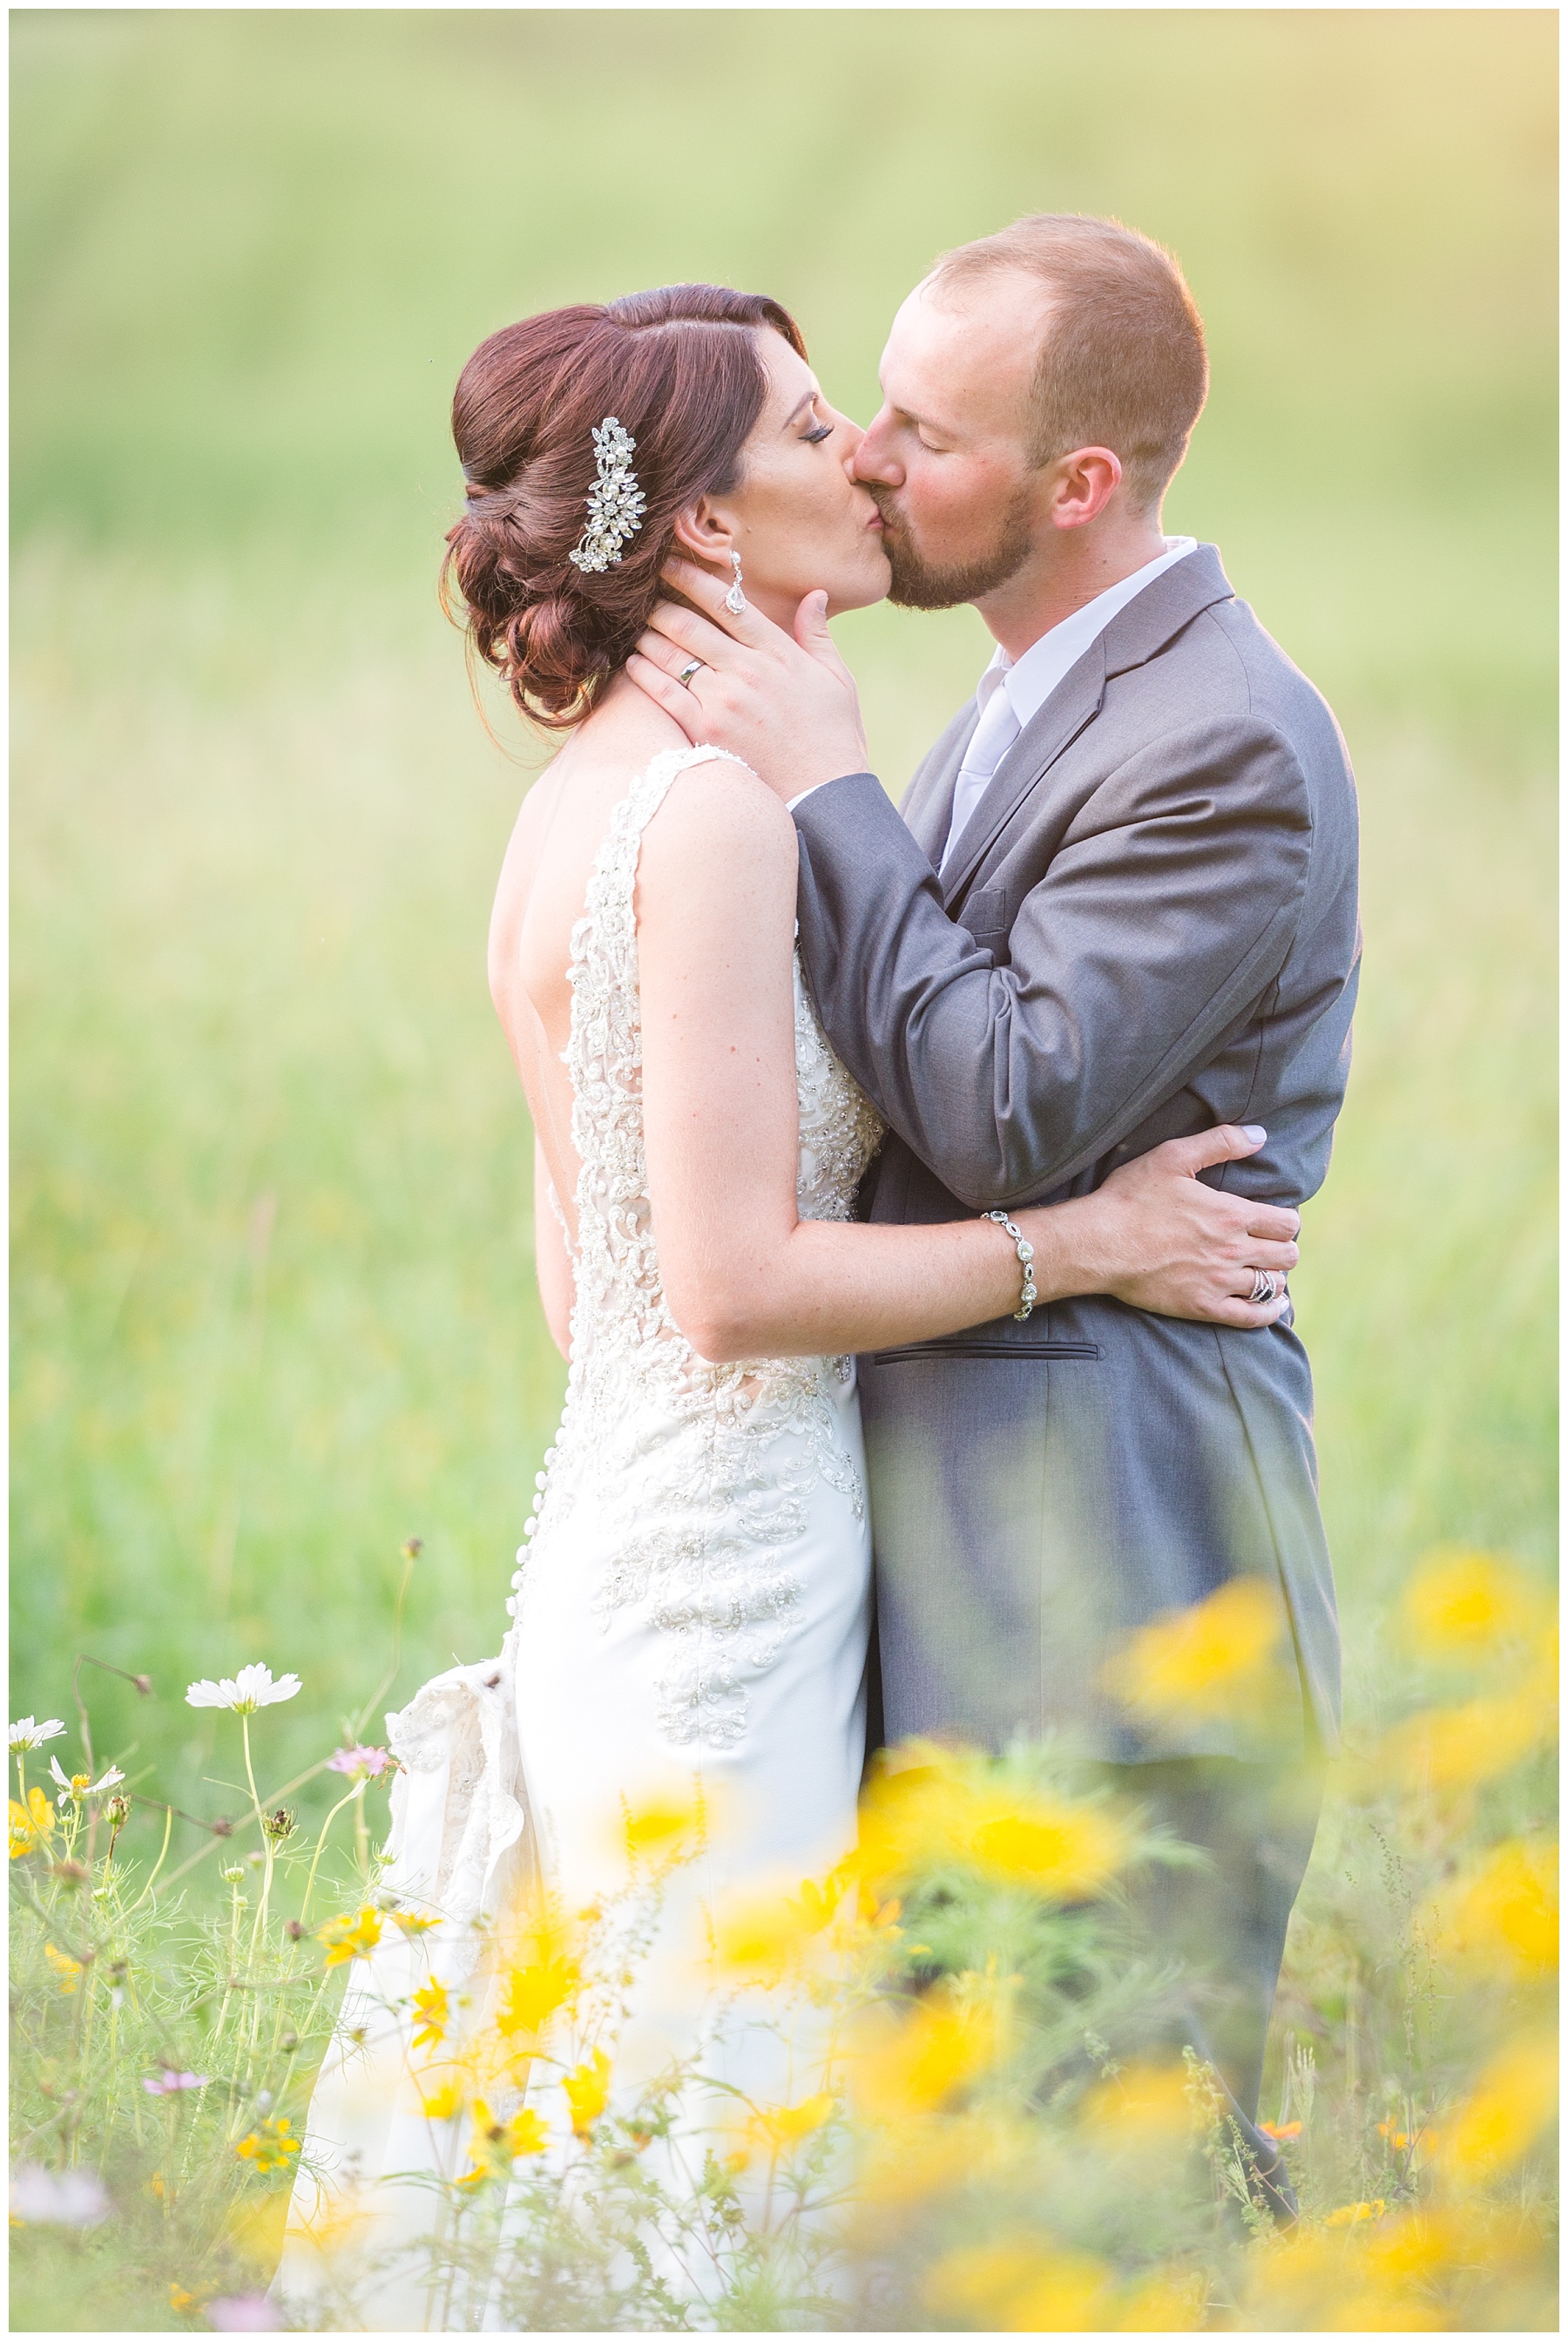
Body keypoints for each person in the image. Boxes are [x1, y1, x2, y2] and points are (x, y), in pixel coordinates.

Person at [280, 277, 1307, 2317]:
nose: (866, 459)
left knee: (634, 2116)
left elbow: (601, 1283)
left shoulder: (576, 803)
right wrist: (1079, 1243)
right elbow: (732, 1290)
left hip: (627, 1530)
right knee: (734, 2159)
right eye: (822, 423)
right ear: (716, 529)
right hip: (725, 1580)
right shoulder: (723, 814)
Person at [626, 219, 1362, 2210]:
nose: (867, 455)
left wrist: (829, 792)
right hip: (956, 1559)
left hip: (1113, 1582)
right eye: (866, 405)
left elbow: (1006, 1099)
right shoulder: (1036, 690)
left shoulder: (1221, 742)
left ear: (1078, 486)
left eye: (925, 432)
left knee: (1119, 2196)